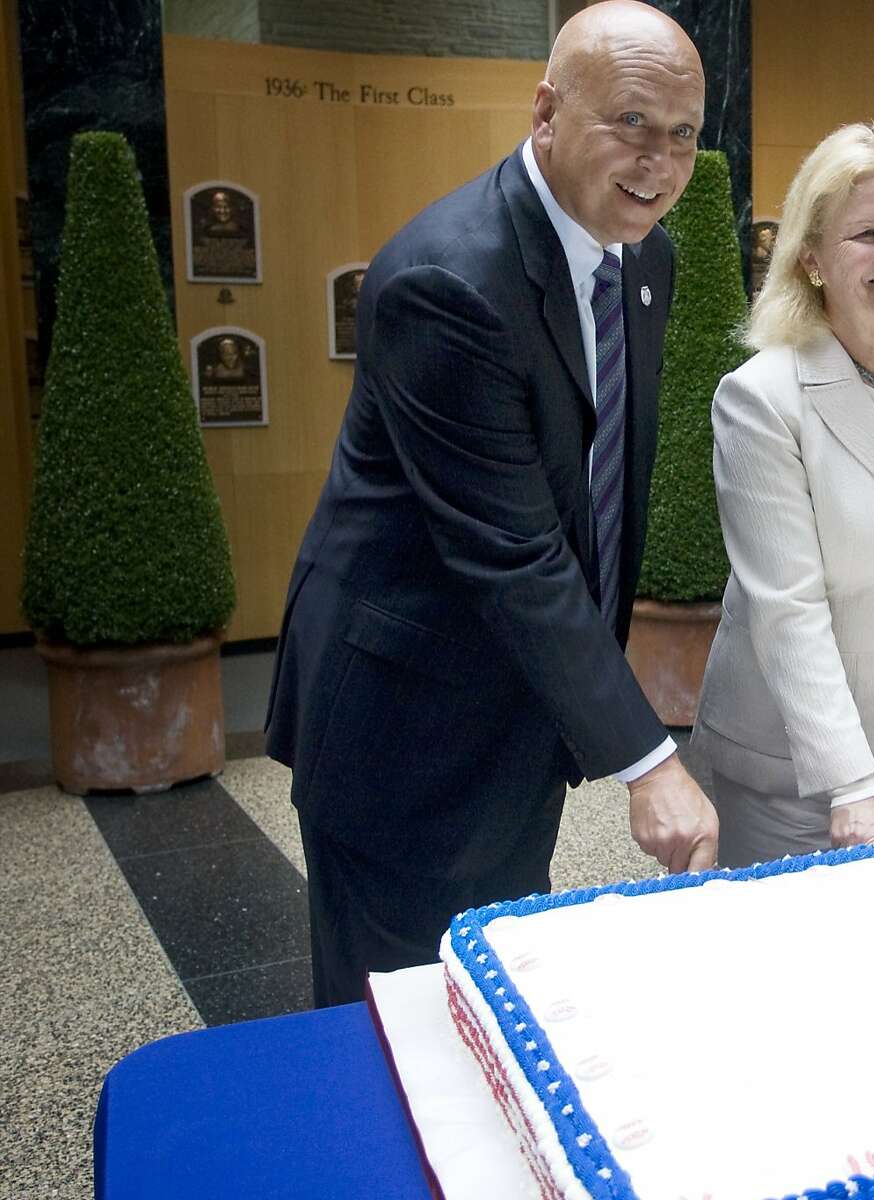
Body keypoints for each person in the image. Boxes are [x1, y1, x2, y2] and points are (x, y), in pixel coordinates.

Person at [264, 0, 718, 1007]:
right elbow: (514, 551)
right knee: (393, 1028)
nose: (660, 160)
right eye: (631, 122)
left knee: (491, 986)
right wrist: (648, 759)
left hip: (519, 705)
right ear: (546, 111)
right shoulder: (448, 282)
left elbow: (592, 490)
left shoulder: (646, 258)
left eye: (684, 133)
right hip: (404, 725)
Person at [689, 123, 874, 866]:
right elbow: (786, 604)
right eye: (867, 235)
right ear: (813, 260)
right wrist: (849, 780)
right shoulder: (761, 397)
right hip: (795, 760)